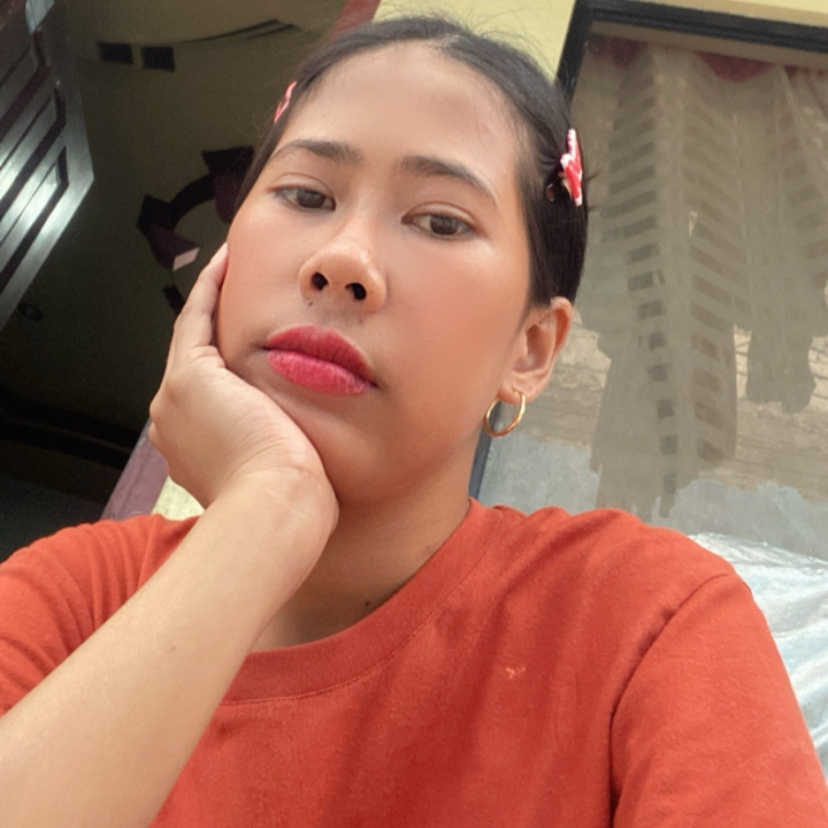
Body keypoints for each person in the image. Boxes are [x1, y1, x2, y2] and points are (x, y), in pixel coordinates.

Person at [0, 15, 825, 828]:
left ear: (532, 348)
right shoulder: (71, 599)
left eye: (441, 221)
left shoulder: (644, 623)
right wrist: (266, 511)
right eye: (306, 195)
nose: (341, 261)